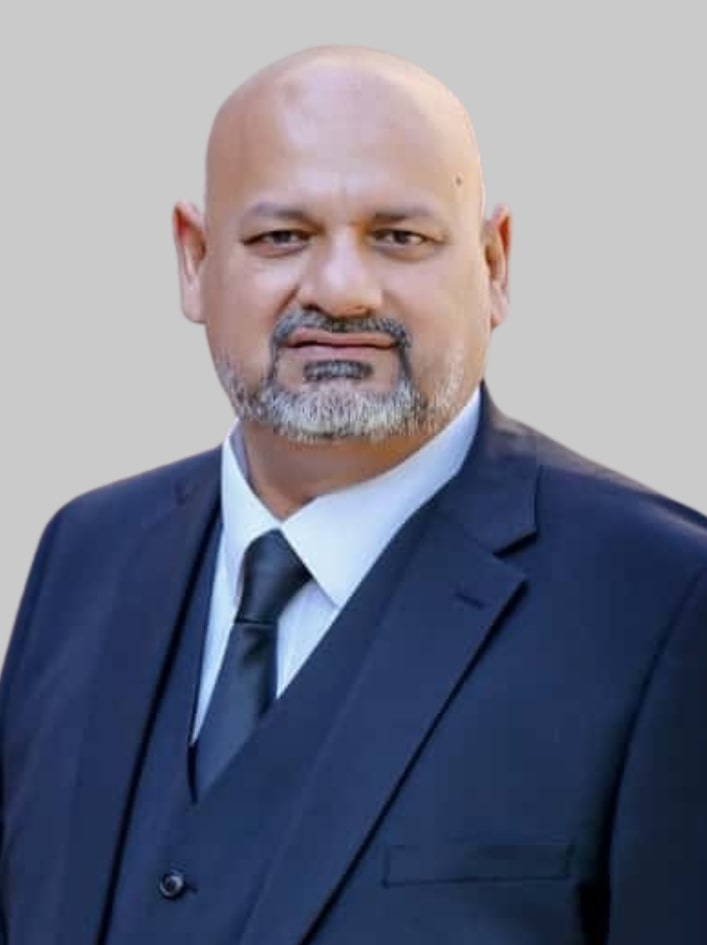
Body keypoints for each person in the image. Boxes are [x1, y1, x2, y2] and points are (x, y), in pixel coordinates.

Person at [1, 44, 706, 945]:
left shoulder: (660, 601)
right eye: (281, 237)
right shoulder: (83, 554)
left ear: (493, 264)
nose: (340, 291)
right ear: (194, 259)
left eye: (398, 237)